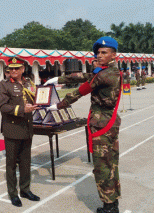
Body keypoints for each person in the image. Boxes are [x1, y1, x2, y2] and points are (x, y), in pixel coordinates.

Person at [46, 36, 122, 213]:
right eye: (98, 53)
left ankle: (109, 207)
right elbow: (87, 75)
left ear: (113, 55)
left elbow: (83, 88)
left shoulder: (105, 74)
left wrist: (59, 105)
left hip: (103, 124)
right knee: (111, 164)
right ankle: (113, 201)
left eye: (104, 52)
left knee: (102, 166)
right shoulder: (107, 71)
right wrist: (59, 79)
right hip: (107, 122)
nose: (100, 55)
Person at [0, 57, 40, 207]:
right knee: (11, 163)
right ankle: (13, 193)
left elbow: (36, 99)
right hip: (12, 128)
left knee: (26, 162)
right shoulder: (4, 85)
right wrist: (22, 109)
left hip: (27, 127)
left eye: (17, 68)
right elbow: (3, 106)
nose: (13, 71)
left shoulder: (29, 83)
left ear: (22, 69)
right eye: (11, 68)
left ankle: (25, 189)